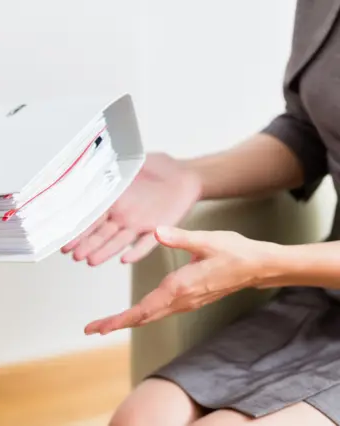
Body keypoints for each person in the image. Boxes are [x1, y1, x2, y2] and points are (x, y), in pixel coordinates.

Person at [64, 1, 340, 425]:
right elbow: (310, 129)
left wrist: (266, 265)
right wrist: (191, 176)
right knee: (141, 418)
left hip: (318, 271)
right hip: (327, 296)